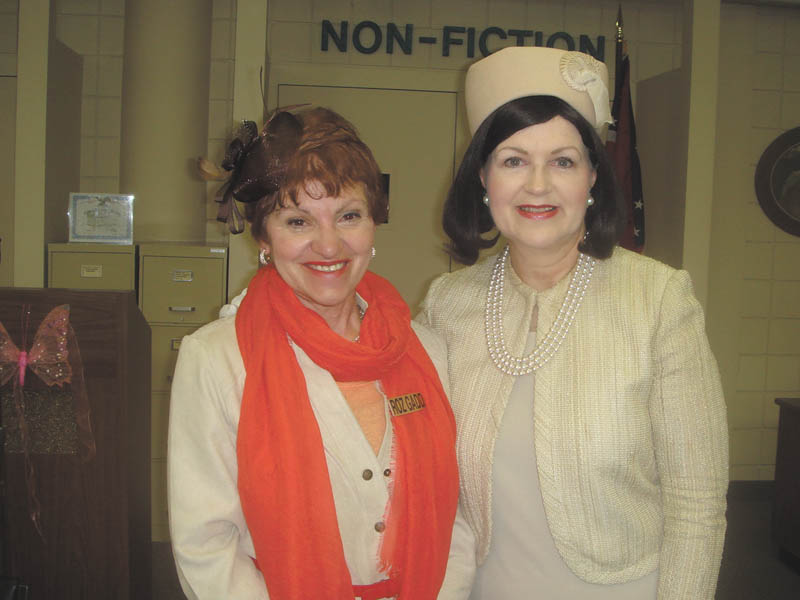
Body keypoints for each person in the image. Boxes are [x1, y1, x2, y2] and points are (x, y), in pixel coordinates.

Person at [417, 46, 729, 599]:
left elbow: (697, 502)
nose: (538, 185)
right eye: (513, 159)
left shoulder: (658, 300)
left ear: (592, 178)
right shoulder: (446, 305)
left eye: (562, 161)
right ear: (483, 178)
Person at [168, 107, 475, 599]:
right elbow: (205, 544)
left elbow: (457, 515)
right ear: (264, 238)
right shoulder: (216, 359)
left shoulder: (429, 350)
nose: (328, 245)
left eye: (349, 216)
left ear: (374, 224)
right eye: (298, 221)